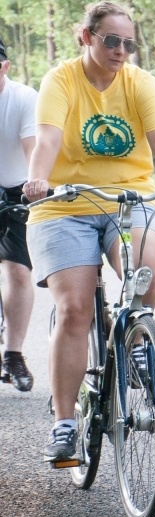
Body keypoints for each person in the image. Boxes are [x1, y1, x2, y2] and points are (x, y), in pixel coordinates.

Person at [23, 1, 155, 461]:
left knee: (148, 268)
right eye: (112, 41)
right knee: (74, 310)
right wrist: (37, 179)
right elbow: (47, 139)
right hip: (63, 205)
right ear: (86, 38)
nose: (122, 51)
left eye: (129, 43)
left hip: (128, 201)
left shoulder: (140, 82)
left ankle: (137, 342)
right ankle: (65, 424)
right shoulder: (61, 80)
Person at [0, 37, 36, 392]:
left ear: (5, 67)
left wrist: (38, 184)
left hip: (17, 188)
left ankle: (13, 354)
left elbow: (32, 147)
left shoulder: (24, 97)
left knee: (19, 273)